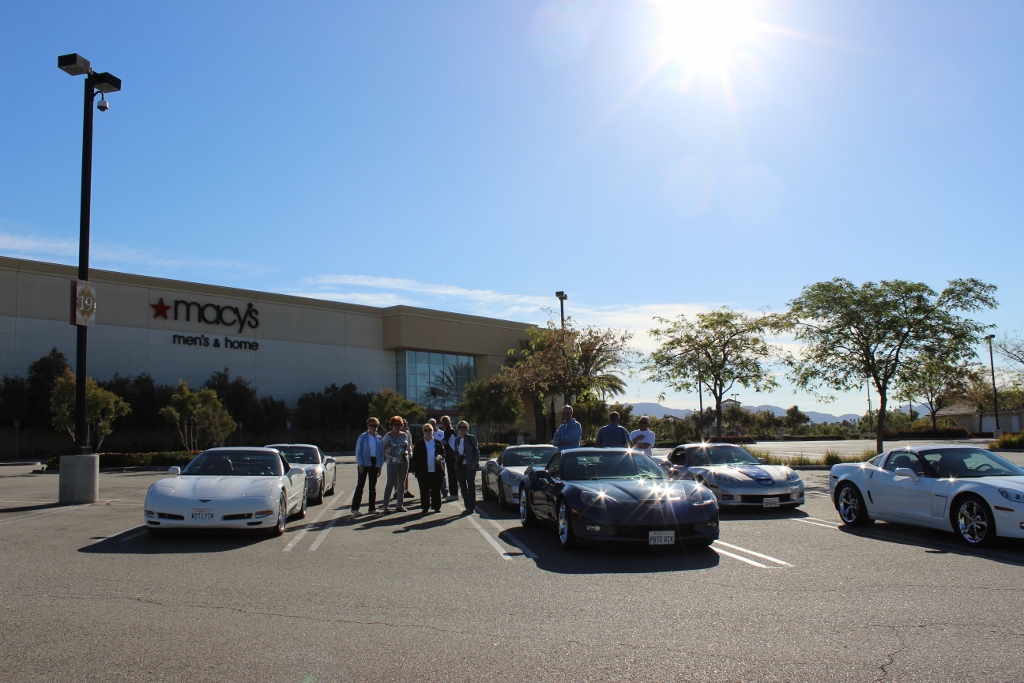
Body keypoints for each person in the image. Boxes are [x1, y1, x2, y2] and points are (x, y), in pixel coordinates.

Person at [352, 417, 384, 514]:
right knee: (360, 485)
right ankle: (355, 508)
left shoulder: (379, 438)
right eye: (371, 425)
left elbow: (381, 453)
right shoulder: (363, 437)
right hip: (364, 462)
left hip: (375, 462)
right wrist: (360, 464)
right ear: (367, 426)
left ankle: (372, 508)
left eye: (375, 425)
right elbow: (358, 451)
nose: (373, 427)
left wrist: (379, 466)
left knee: (372, 486)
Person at [411, 423, 444, 515]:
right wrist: (414, 469)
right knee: (424, 489)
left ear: (432, 431)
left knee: (436, 489)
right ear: (423, 432)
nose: (428, 432)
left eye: (429, 430)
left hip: (436, 470)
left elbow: (442, 453)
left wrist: (440, 457)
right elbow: (415, 457)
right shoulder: (419, 443)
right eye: (426, 430)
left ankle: (436, 506)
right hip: (423, 471)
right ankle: (425, 506)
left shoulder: (437, 442)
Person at [381, 415, 412, 513]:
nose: (397, 426)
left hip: (404, 462)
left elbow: (409, 447)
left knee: (401, 484)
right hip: (392, 463)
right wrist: (389, 456)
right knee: (390, 483)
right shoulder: (388, 436)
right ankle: (385, 506)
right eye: (395, 424)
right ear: (391, 425)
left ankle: (399, 505)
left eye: (399, 424)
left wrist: (409, 453)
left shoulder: (405, 435)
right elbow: (382, 449)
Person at [453, 420, 480, 513]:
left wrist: (474, 463)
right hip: (460, 466)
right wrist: (457, 457)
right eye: (461, 427)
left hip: (469, 466)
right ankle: (467, 505)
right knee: (463, 487)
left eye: (464, 427)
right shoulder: (456, 440)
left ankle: (472, 506)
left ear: (467, 429)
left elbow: (477, 452)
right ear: (458, 429)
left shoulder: (471, 438)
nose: (462, 429)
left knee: (471, 486)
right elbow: (455, 452)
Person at [438, 415, 458, 501]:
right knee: (451, 474)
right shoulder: (448, 430)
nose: (442, 424)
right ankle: (453, 493)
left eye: (443, 422)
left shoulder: (449, 431)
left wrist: (435, 444)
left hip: (451, 455)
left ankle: (454, 494)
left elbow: (444, 442)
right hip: (449, 455)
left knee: (452, 474)